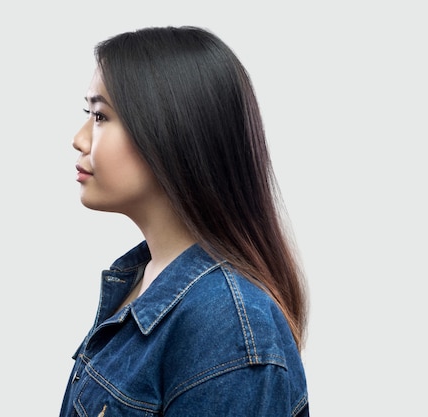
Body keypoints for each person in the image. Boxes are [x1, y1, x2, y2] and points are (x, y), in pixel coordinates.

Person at [60, 25, 309, 417]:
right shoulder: (140, 280)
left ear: (168, 130)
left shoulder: (226, 328)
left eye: (101, 116)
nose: (80, 138)